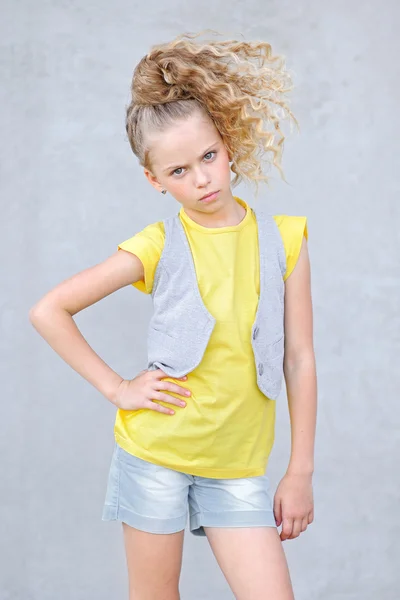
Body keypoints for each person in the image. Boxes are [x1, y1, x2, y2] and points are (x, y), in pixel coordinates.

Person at [29, 31, 317, 600]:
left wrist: (299, 469)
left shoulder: (285, 240)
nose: (202, 179)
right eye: (179, 171)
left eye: (208, 156)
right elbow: (49, 310)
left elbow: (299, 356)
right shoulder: (157, 245)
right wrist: (117, 388)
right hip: (155, 456)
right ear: (154, 180)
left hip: (237, 465)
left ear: (228, 143)